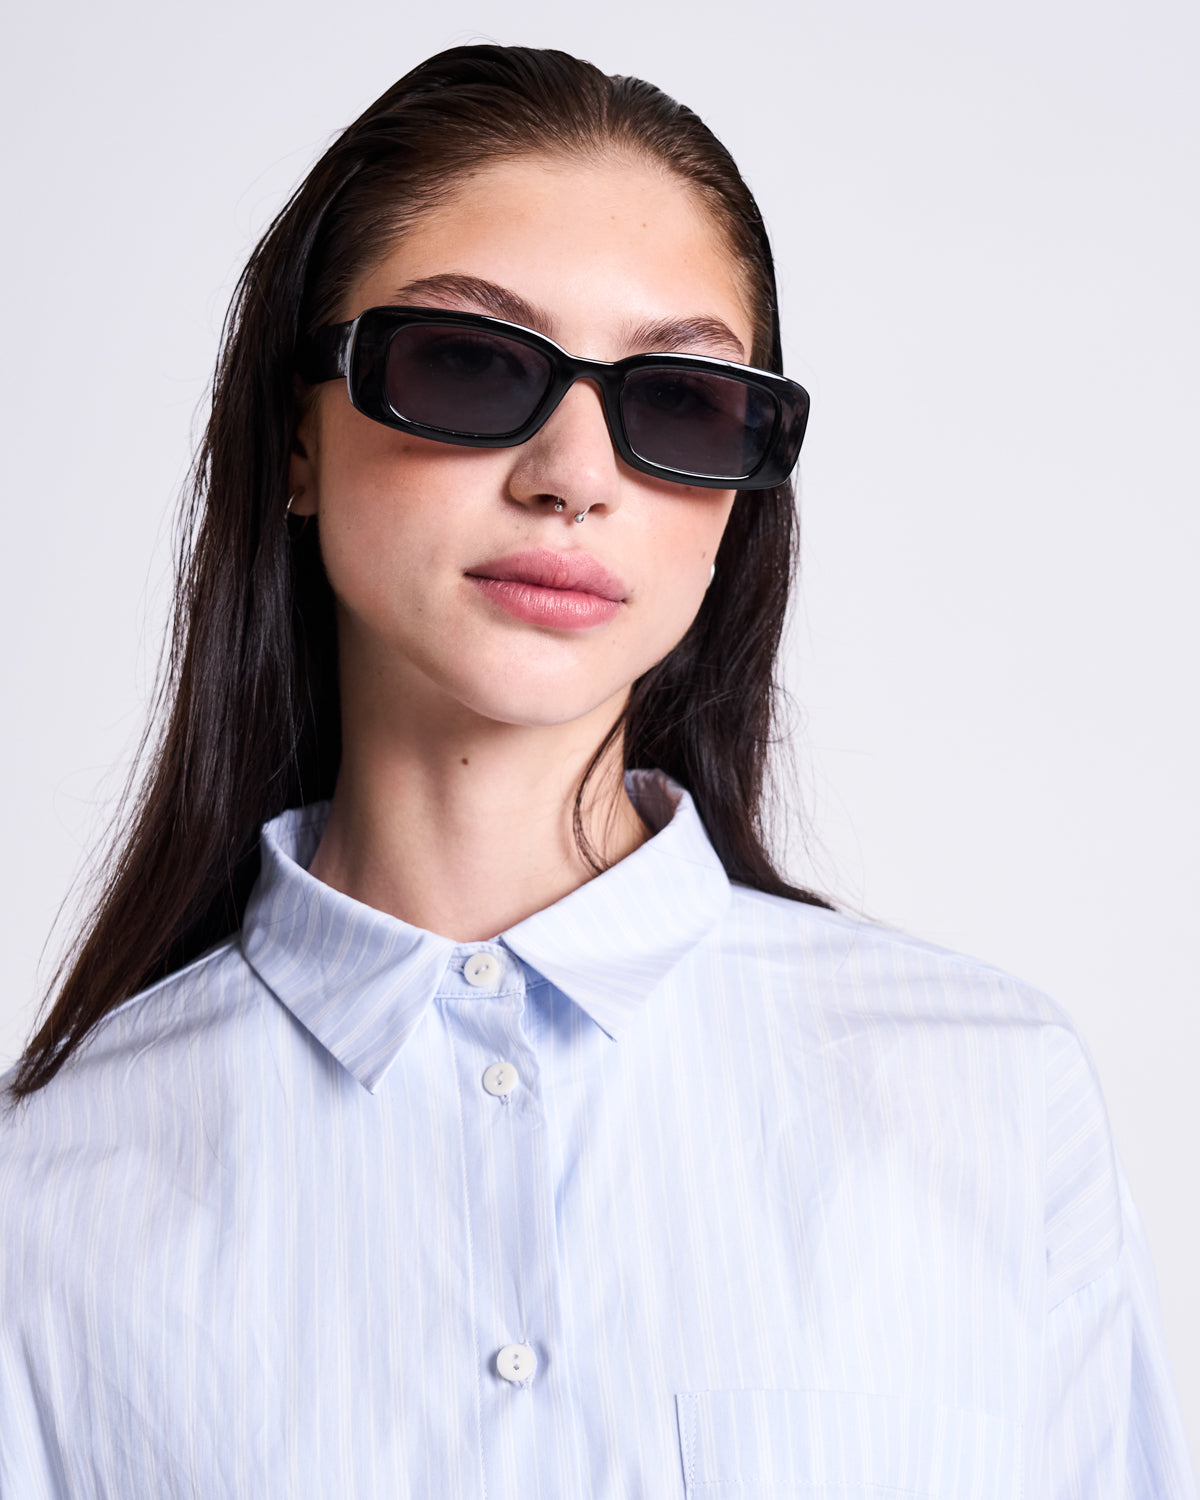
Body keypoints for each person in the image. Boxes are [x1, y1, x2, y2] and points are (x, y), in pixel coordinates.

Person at [0, 42, 1193, 1500]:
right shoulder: (48, 1202)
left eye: (680, 402)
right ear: (296, 440)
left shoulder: (992, 1097)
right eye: (469, 363)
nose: (575, 472)